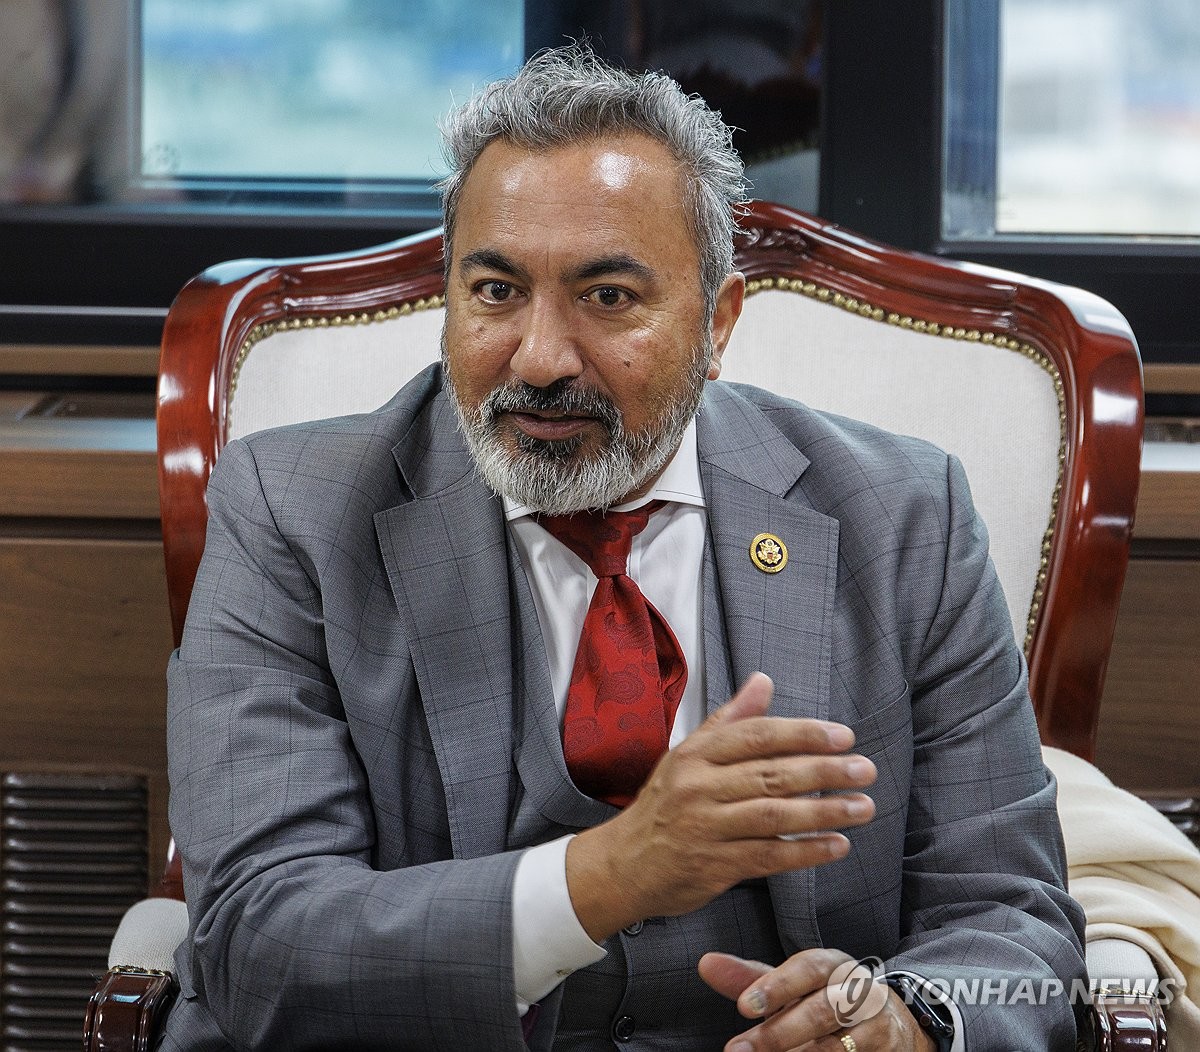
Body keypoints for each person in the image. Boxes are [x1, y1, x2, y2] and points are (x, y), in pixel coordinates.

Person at [160, 45, 1088, 1052]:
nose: (541, 356)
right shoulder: (293, 511)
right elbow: (257, 944)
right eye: (496, 291)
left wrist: (911, 1020)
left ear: (718, 321)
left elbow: (1017, 930)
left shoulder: (904, 517)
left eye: (608, 297)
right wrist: (614, 872)